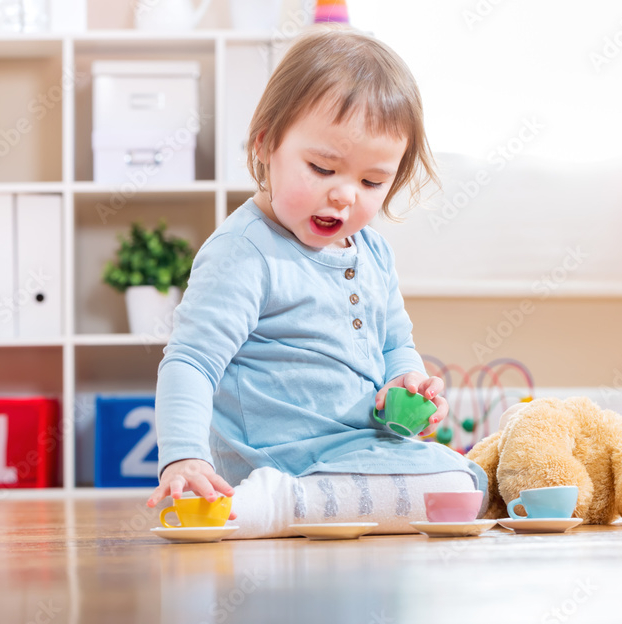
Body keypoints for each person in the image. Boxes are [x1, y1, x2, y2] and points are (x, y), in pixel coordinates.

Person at [146, 24, 488, 539]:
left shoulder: (373, 253)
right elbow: (192, 360)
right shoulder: (246, 252)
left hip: (357, 451)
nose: (345, 195)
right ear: (265, 144)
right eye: (322, 167)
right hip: (276, 459)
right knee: (451, 489)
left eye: (372, 182)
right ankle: (272, 506)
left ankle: (312, 509)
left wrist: (407, 384)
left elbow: (396, 345)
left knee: (465, 484)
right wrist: (184, 457)